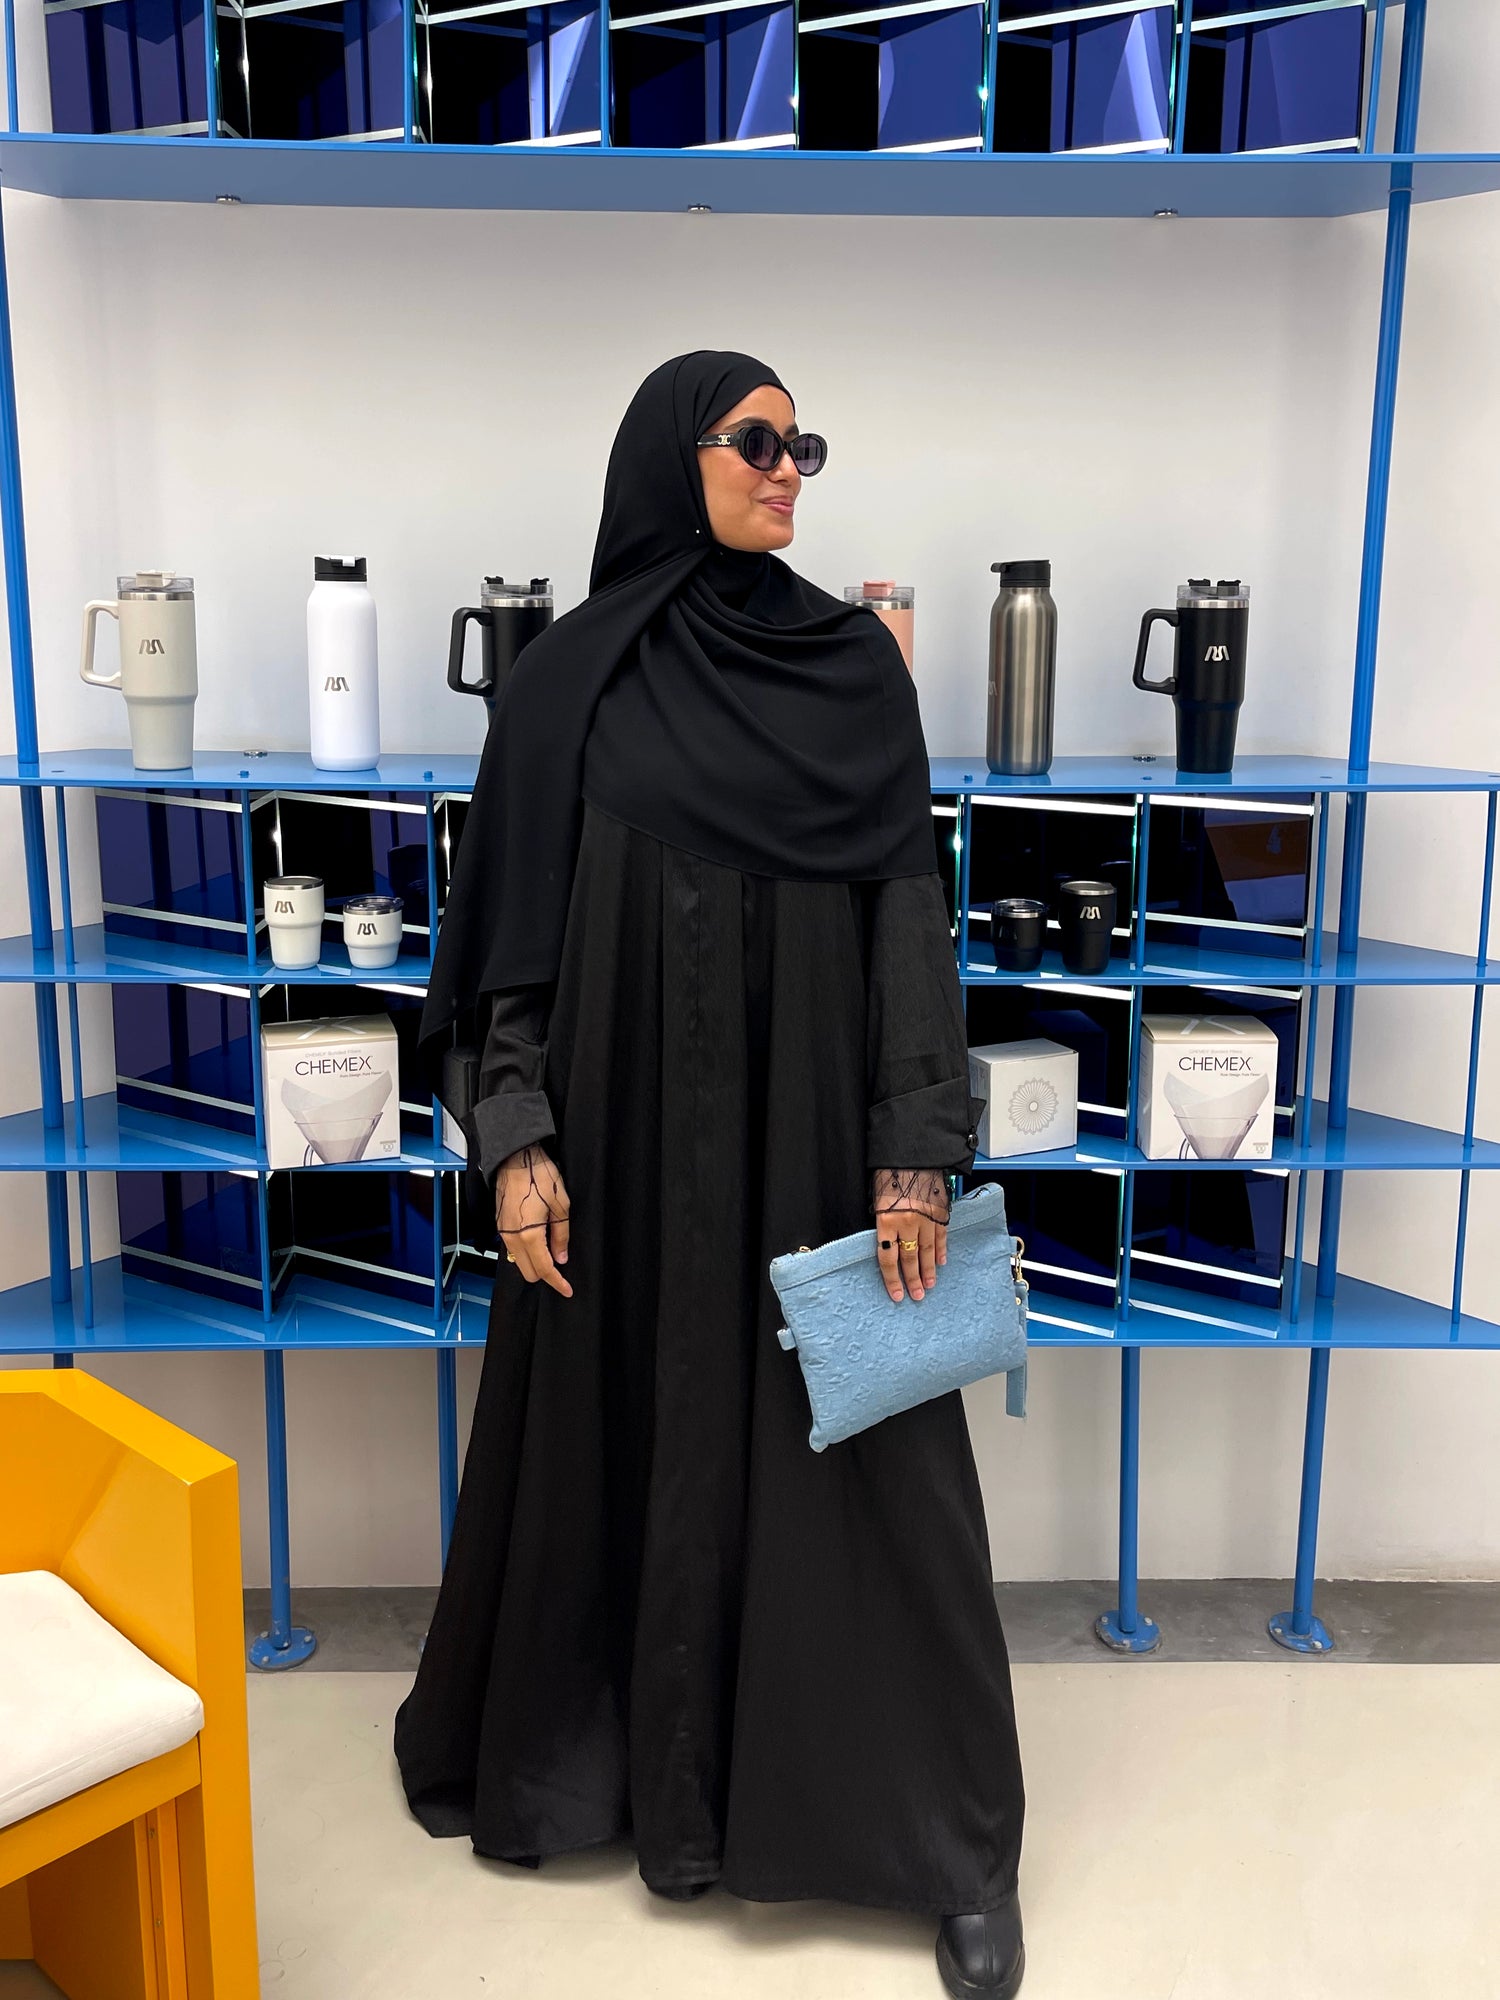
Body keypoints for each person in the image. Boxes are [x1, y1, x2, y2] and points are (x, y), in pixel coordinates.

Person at [395, 351, 1027, 2000]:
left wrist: (914, 1148)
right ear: (668, 458)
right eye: (754, 440)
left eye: (802, 443)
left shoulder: (849, 670)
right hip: (612, 1147)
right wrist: (515, 1135)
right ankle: (616, 1779)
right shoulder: (572, 681)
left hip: (810, 1136)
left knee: (872, 1462)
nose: (786, 466)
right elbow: (510, 942)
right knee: (620, 1429)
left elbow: (908, 912)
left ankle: (950, 1844)